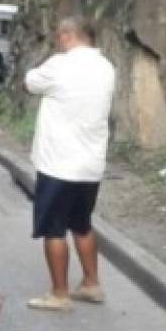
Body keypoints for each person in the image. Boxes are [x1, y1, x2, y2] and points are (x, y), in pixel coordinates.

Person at [23, 17, 116, 311]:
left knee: (54, 229)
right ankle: (91, 284)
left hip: (58, 165)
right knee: (82, 225)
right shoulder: (106, 68)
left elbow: (29, 83)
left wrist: (48, 60)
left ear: (67, 35)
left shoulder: (59, 65)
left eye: (58, 36)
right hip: (90, 165)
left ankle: (59, 294)